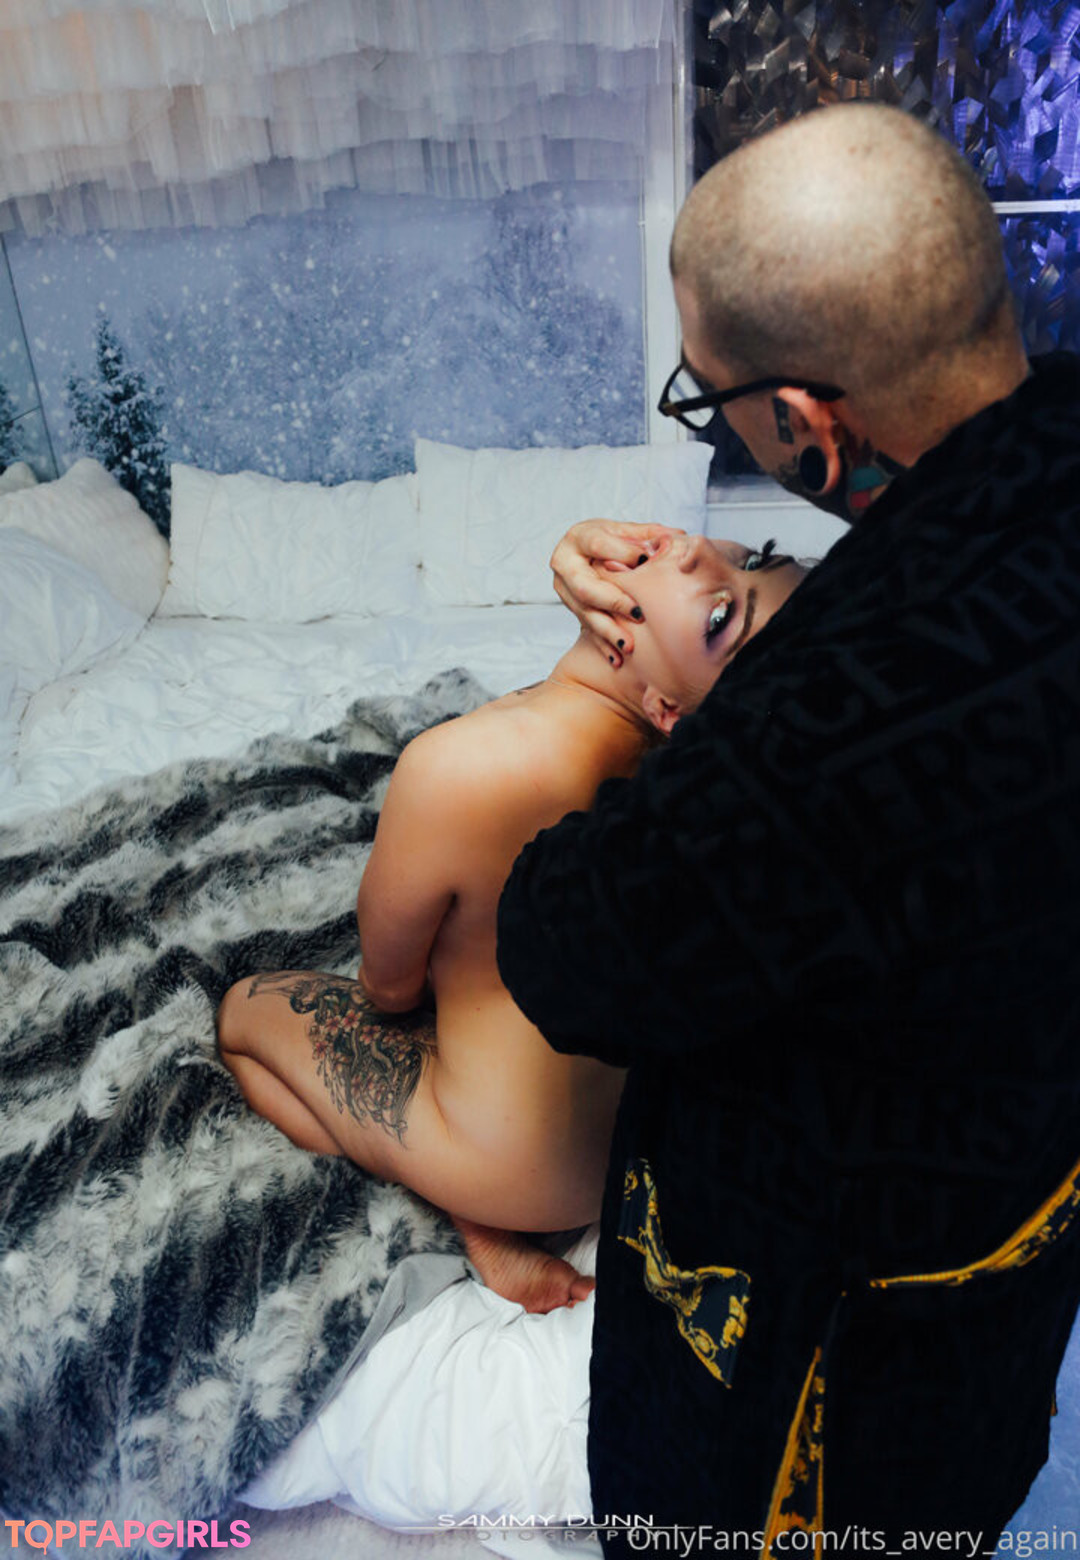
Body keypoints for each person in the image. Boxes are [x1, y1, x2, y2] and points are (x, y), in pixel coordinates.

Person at [496, 102, 1080, 1554]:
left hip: (820, 1387)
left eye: (714, 405)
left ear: (807, 426)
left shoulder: (810, 748)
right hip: (1017, 1239)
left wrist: (604, 715)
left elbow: (567, 949)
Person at [216, 534, 807, 1314]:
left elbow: (388, 989)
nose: (697, 550)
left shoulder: (455, 766)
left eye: (723, 615)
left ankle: (468, 1212)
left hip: (516, 1165)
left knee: (242, 1014)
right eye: (752, 552)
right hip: (634, 1141)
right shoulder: (691, 776)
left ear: (668, 707)